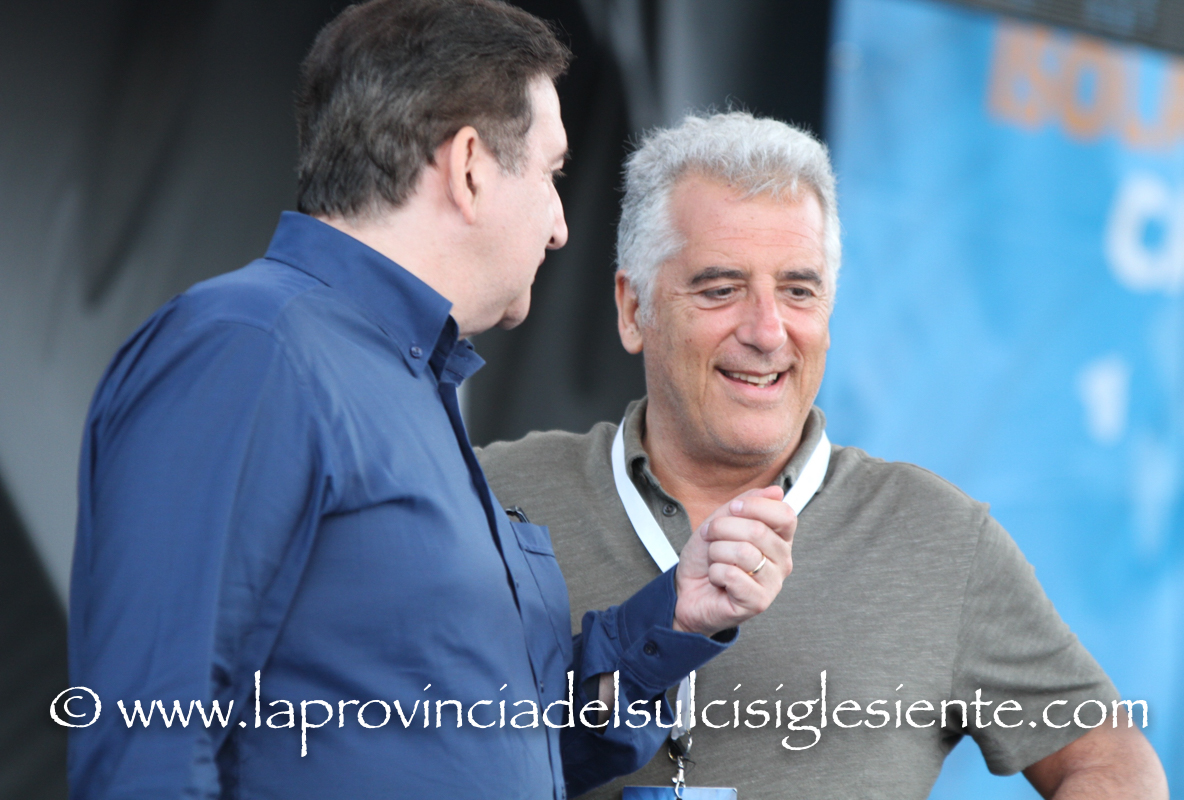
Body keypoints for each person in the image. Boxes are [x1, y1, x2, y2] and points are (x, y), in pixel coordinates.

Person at [66, 5, 800, 799]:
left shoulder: (409, 383)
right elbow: (146, 742)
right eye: (552, 174)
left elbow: (497, 745)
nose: (561, 227)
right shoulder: (249, 348)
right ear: (471, 167)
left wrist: (676, 617)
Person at [479, 111, 1169, 798]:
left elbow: (1112, 758)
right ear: (634, 309)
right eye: (721, 289)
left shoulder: (938, 536)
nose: (767, 331)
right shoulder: (494, 497)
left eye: (798, 291)